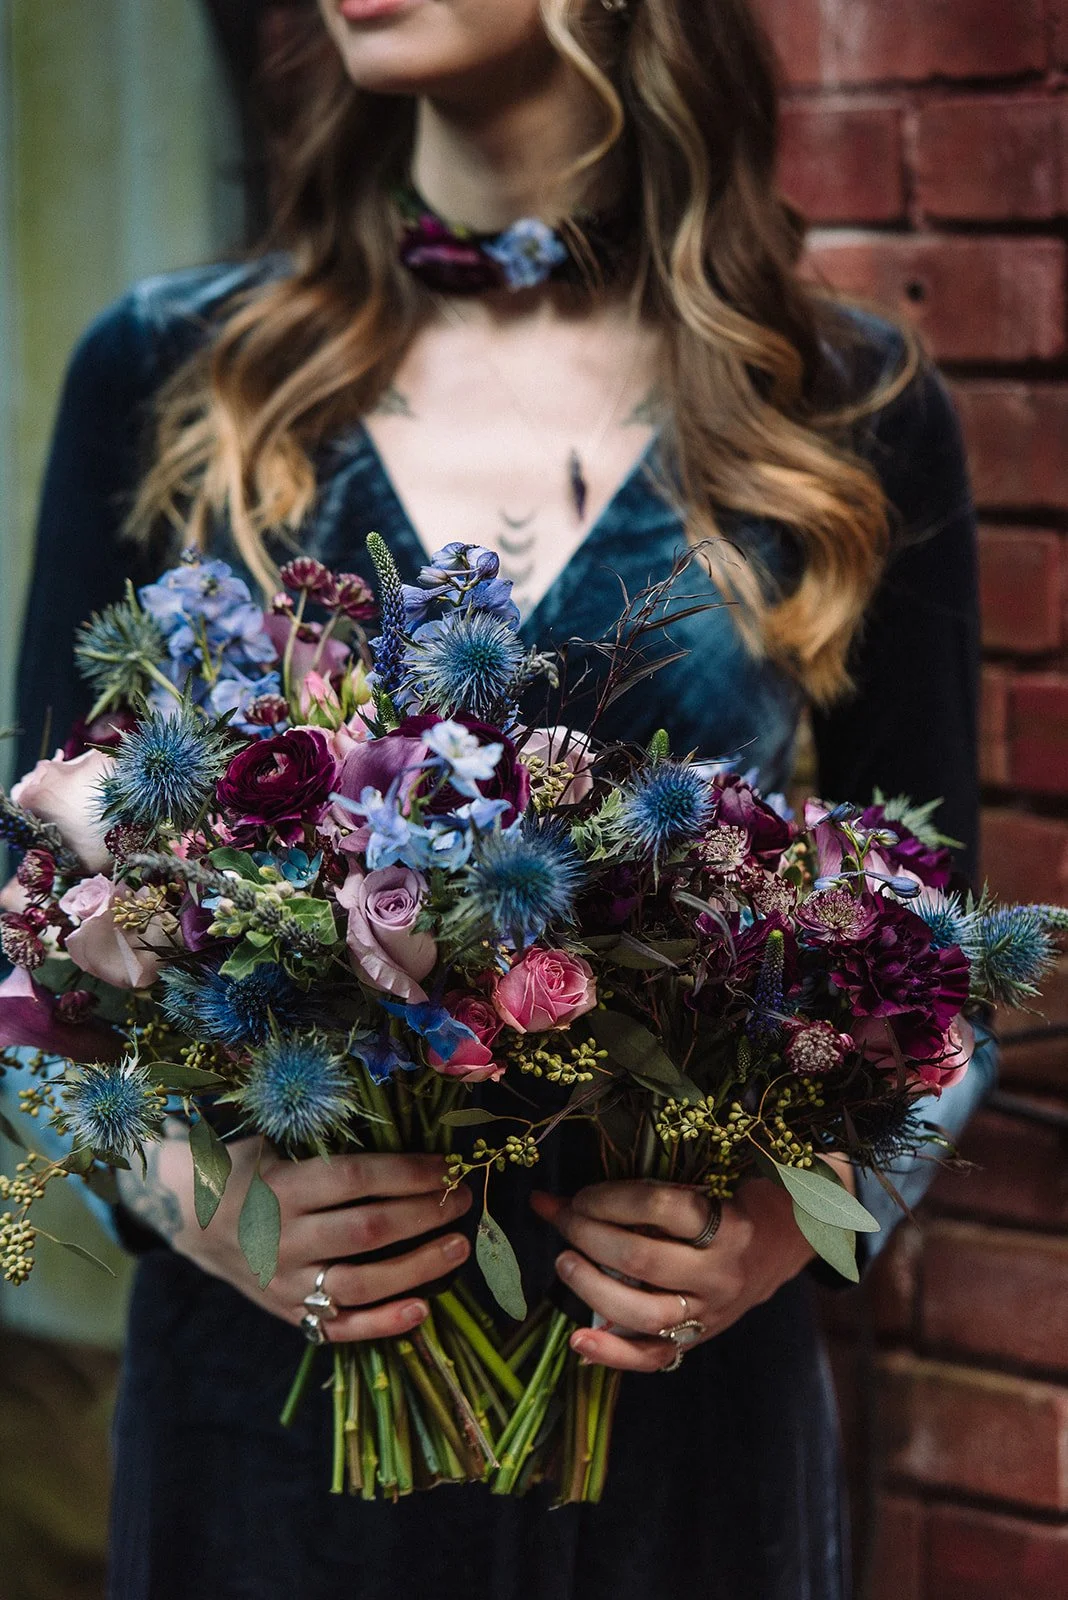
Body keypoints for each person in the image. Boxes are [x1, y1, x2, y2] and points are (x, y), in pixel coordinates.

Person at [15, 2, 996, 1596]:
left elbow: (939, 975)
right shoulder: (171, 371)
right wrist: (200, 1202)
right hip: (274, 1440)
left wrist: (781, 1231)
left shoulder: (845, 406)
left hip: (675, 1442)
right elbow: (33, 943)